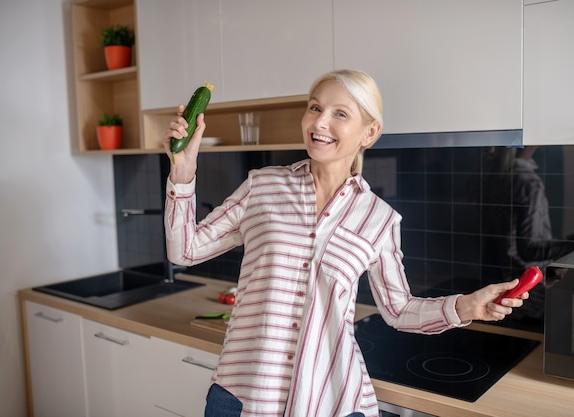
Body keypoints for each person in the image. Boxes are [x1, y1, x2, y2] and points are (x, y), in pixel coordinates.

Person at [162, 70, 529, 417]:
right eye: (315, 107)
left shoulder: (378, 218)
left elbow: (398, 310)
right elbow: (186, 250)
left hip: (331, 398)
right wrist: (182, 169)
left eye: (340, 113)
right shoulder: (263, 186)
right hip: (244, 395)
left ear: (369, 132)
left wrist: (467, 306)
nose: (320, 122)